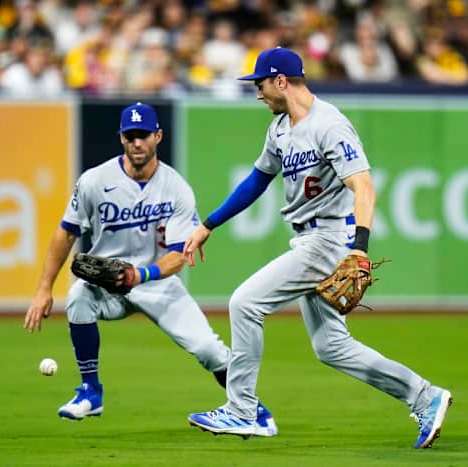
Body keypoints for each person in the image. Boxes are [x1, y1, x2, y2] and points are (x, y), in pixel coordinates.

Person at [184, 48, 452, 449]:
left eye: (259, 84)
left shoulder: (330, 125)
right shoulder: (279, 128)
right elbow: (257, 181)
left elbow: (364, 187)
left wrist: (359, 249)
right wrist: (208, 224)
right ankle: (424, 395)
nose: (256, 93)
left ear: (280, 81)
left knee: (245, 303)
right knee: (331, 347)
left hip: (330, 238)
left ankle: (241, 410)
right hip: (308, 236)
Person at [23, 102, 277, 437]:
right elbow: (66, 231)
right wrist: (44, 288)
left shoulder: (175, 187)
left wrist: (140, 275)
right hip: (107, 285)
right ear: (121, 139)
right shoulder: (95, 181)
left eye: (143, 135)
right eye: (130, 136)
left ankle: (253, 410)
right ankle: (90, 391)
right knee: (78, 297)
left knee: (209, 350)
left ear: (158, 135)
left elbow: (179, 255)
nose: (137, 142)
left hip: (157, 283)